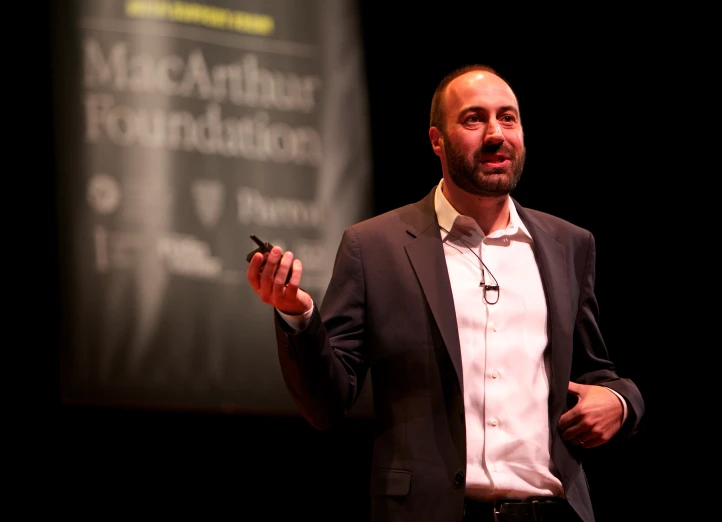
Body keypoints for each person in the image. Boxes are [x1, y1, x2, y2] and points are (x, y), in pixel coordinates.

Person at [246, 64, 644, 522]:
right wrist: (298, 314)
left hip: (552, 511)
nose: (496, 134)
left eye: (508, 118)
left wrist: (620, 402)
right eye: (474, 119)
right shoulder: (375, 247)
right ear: (437, 140)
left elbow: (599, 374)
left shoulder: (568, 245)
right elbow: (327, 403)